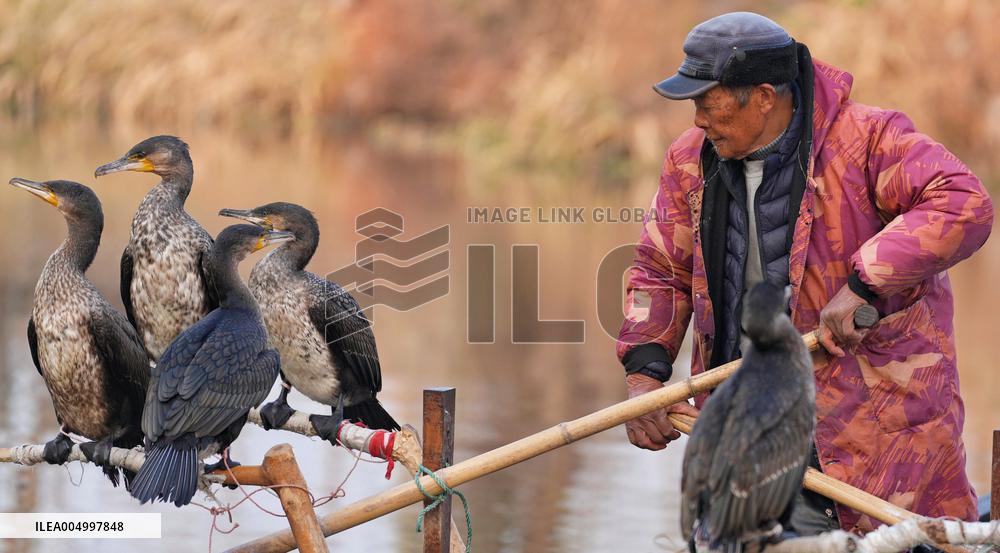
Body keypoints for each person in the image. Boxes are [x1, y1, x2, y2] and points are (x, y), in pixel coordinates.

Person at [617, 11, 993, 535]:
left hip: (875, 449)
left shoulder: (868, 139)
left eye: (708, 101)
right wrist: (645, 375)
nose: (697, 118)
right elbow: (658, 270)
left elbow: (963, 203)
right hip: (743, 441)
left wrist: (866, 281)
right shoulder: (689, 161)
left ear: (765, 96)